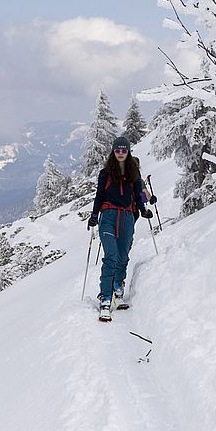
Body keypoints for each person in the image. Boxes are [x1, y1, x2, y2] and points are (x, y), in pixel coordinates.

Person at [87, 136, 156, 319]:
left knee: (123, 256)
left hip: (126, 217)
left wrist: (143, 210)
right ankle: (106, 297)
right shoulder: (105, 173)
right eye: (117, 150)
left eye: (123, 150)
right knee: (111, 255)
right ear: (113, 151)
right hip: (108, 216)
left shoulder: (134, 173)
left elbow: (137, 193)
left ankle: (118, 288)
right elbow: (99, 195)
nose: (120, 153)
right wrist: (94, 216)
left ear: (128, 152)